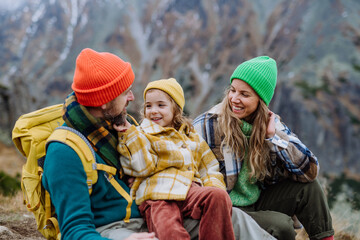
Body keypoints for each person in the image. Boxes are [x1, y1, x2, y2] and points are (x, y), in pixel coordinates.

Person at [193, 56, 335, 240]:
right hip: (227, 209)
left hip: (257, 202)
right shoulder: (207, 124)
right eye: (233, 90)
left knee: (310, 188)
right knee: (281, 226)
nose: (234, 99)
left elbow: (310, 170)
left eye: (244, 94)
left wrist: (272, 138)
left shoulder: (270, 124)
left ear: (261, 100)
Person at [42, 48, 161, 240]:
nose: (132, 98)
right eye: (125, 93)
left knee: (228, 214)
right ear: (104, 101)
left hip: (152, 214)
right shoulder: (64, 152)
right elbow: (74, 231)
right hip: (112, 230)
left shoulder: (122, 126)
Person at [113, 78, 235, 240]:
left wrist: (212, 187)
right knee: (170, 232)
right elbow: (141, 167)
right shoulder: (139, 134)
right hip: (157, 195)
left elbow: (210, 168)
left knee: (218, 196)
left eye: (161, 105)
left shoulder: (191, 137)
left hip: (189, 189)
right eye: (148, 106)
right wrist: (130, 136)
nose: (153, 111)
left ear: (175, 108)